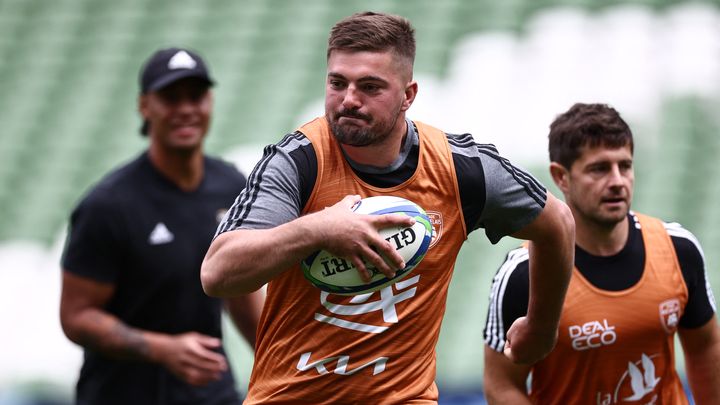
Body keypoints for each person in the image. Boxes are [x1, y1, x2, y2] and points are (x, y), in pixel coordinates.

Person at [200, 12, 574, 404]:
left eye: (370, 87)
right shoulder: (297, 161)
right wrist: (318, 230)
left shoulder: (461, 169)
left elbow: (557, 225)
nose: (349, 100)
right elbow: (218, 272)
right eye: (337, 83)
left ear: (408, 95)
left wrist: (540, 329)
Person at [59, 47, 264, 405]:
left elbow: (241, 293)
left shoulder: (231, 185)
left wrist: (280, 365)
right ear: (144, 106)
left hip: (209, 392)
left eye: (195, 96)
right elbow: (76, 316)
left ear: (210, 101)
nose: (185, 109)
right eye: (170, 97)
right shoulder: (108, 205)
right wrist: (161, 349)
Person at [483, 103, 720, 404]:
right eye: (599, 168)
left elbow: (705, 347)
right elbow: (501, 385)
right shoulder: (523, 272)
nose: (618, 181)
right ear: (561, 177)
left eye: (625, 166)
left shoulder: (679, 249)